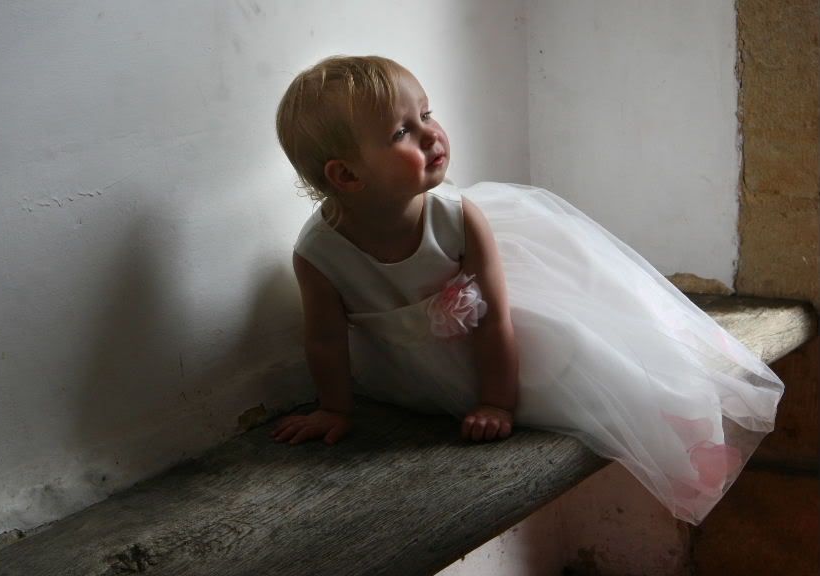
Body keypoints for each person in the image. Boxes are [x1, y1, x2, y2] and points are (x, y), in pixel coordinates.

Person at [271, 55, 783, 524]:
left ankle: (679, 417)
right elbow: (326, 341)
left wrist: (496, 403)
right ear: (347, 175)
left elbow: (494, 317)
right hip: (409, 369)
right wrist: (334, 408)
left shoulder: (457, 219)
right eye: (403, 131)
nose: (431, 135)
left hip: (496, 341)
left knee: (584, 354)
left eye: (426, 114)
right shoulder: (319, 254)